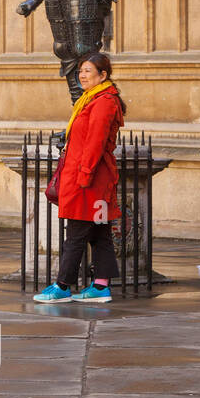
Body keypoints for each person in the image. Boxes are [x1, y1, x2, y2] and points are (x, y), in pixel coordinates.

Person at [34, 52, 126, 304]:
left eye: (88, 71)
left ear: (103, 75)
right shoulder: (91, 99)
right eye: (81, 71)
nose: (82, 75)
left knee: (75, 233)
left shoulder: (103, 102)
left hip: (89, 181)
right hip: (91, 178)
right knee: (99, 233)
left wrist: (83, 177)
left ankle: (63, 285)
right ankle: (100, 287)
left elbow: (95, 143)